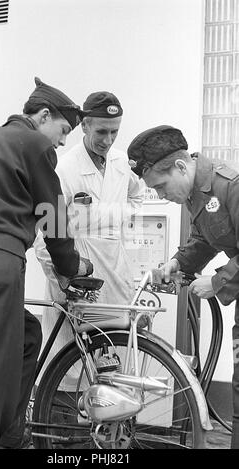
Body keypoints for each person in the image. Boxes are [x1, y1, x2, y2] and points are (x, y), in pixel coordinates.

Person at [0, 77, 93, 449]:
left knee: (26, 336)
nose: (61, 141)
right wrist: (72, 267)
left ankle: (9, 436)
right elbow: (52, 216)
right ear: (43, 116)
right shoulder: (35, 146)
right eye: (63, 130)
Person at [127, 124, 239, 449]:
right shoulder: (198, 194)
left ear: (179, 166)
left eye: (161, 188)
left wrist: (217, 282)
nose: (162, 197)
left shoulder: (230, 185)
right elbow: (207, 237)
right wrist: (178, 263)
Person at [35, 90, 144, 364]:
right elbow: (43, 235)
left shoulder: (121, 163)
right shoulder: (63, 168)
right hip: (78, 280)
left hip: (115, 276)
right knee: (69, 372)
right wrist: (62, 278)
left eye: (114, 132)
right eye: (101, 132)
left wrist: (110, 215)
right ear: (84, 125)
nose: (107, 140)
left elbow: (137, 197)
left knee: (114, 376)